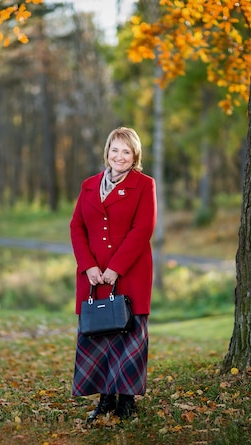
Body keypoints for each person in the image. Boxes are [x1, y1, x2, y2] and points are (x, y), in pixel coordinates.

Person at [70, 126, 157, 421]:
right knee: (100, 337)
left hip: (130, 275)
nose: (119, 156)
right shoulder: (88, 186)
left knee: (129, 337)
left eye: (126, 151)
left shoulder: (145, 185)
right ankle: (105, 400)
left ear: (135, 157)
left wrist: (115, 268)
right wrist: (89, 266)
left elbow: (142, 229)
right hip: (94, 278)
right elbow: (77, 227)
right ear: (107, 152)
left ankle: (127, 403)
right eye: (115, 150)